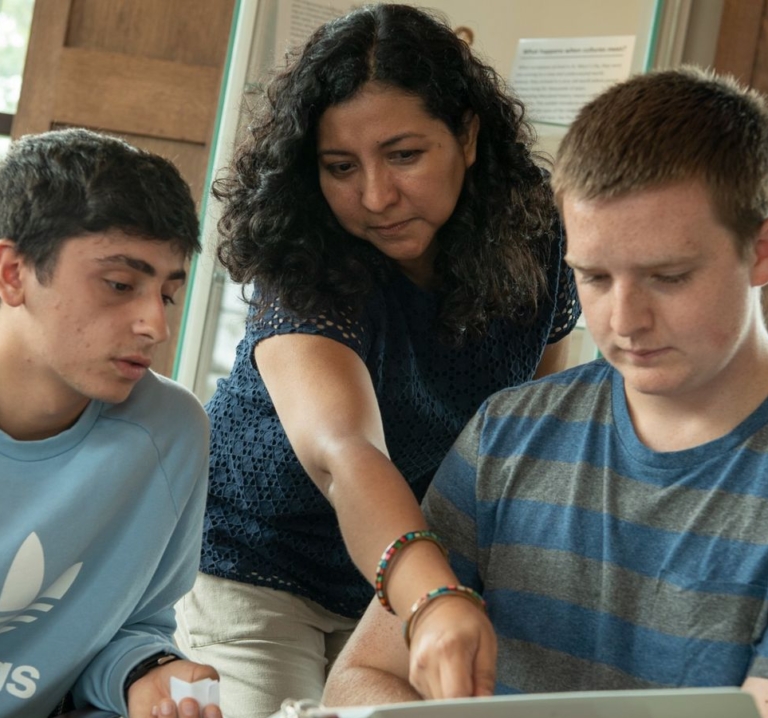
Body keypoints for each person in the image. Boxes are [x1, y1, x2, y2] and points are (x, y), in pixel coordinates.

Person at [321, 64, 768, 716]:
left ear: (759, 252)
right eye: (593, 277)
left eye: (668, 277)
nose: (624, 321)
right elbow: (358, 681)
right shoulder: (507, 434)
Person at [173, 4, 580, 717]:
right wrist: (432, 597)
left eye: (404, 155)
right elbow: (345, 451)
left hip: (413, 582)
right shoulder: (303, 262)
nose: (375, 196)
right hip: (256, 570)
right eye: (340, 167)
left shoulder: (537, 241)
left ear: (469, 136)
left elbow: (538, 432)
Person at [0, 128, 223, 718]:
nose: (155, 324)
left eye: (168, 294)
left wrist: (149, 675)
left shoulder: (172, 433)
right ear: (13, 272)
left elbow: (130, 628)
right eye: (121, 284)